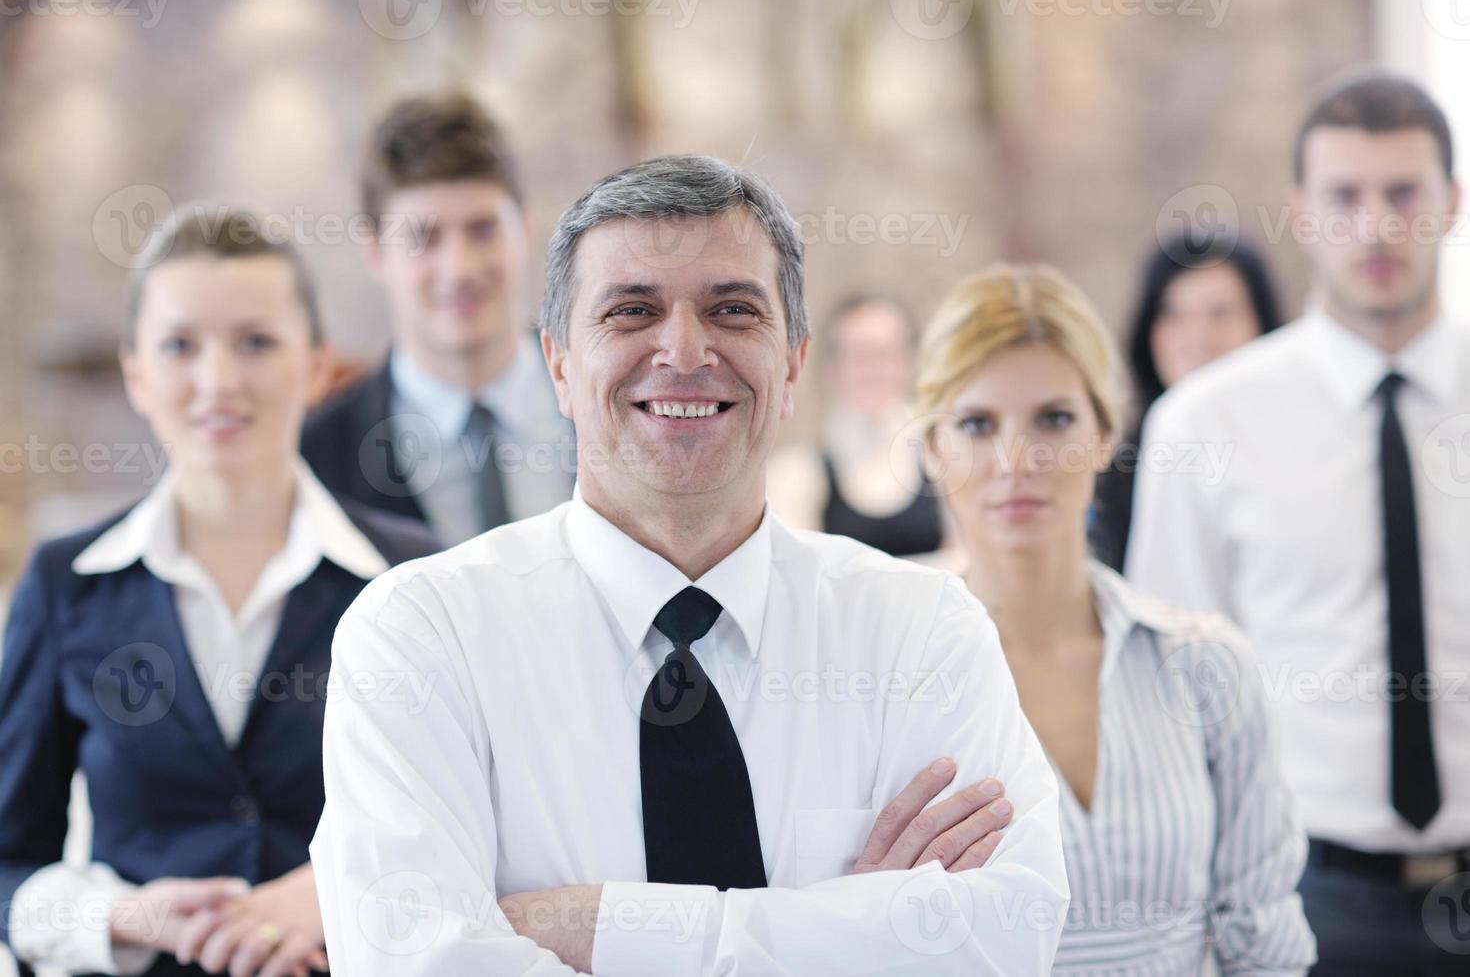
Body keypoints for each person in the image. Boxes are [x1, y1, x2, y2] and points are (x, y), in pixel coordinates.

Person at [310, 154, 1069, 975]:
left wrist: (608, 930)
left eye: (732, 309)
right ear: (559, 365)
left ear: (793, 364)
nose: (683, 349)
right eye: (632, 311)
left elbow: (999, 939)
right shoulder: (420, 637)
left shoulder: (923, 631)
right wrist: (846, 929)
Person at [0, 208, 438, 977]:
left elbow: (484, 832)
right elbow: (6, 862)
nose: (218, 380)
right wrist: (125, 918)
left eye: (256, 342)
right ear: (137, 373)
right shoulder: (65, 584)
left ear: (315, 366)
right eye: (179, 346)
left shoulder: (416, 580)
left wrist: (336, 888)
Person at [1127, 73, 1470, 973]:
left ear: (1453, 203)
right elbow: (1169, 701)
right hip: (1305, 899)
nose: (1377, 225)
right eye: (1345, 197)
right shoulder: (1204, 425)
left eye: (1404, 193)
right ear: (1302, 214)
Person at [914, 262, 1315, 974]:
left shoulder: (1204, 664)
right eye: (977, 423)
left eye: (1054, 419)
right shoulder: (891, 676)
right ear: (932, 450)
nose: (1016, 459)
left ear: (1105, 435)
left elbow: (1263, 935)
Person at [301, 90, 575, 545]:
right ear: (374, 252)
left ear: (524, 230)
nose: (460, 269)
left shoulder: (609, 402)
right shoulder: (317, 457)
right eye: (423, 238)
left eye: (483, 229)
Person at [1088, 236, 1282, 570]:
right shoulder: (1116, 472)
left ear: (1261, 323)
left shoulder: (1294, 449)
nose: (1197, 336)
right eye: (1173, 314)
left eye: (1220, 313)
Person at [768, 296, 945, 557]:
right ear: (832, 367)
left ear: (909, 363)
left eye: (884, 353)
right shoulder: (796, 473)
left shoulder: (942, 461)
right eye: (857, 354)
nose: (871, 369)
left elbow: (968, 559)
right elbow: (799, 574)